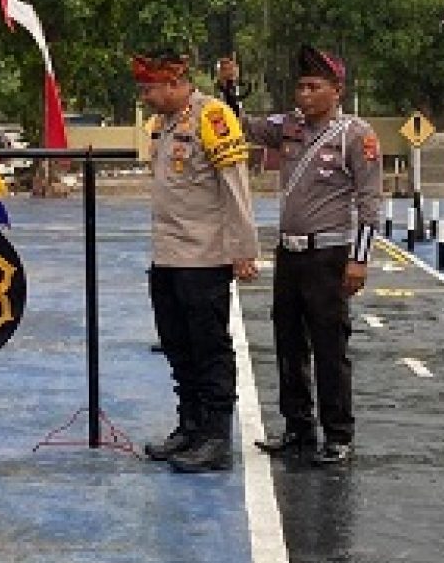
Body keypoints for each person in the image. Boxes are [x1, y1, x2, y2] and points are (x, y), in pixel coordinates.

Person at [232, 47, 382, 465]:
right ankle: (298, 427)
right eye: (300, 86)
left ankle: (338, 433)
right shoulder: (287, 127)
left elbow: (371, 203)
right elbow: (238, 127)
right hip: (290, 254)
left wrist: (359, 259)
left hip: (329, 255)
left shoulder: (356, 135)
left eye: (314, 86)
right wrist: (229, 85)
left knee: (329, 346)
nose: (304, 94)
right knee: (288, 342)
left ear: (337, 90)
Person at [135, 50, 260, 474]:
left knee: (210, 349)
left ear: (174, 83)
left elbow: (235, 187)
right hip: (167, 255)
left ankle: (215, 437)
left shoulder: (213, 116)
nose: (145, 96)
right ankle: (189, 426)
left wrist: (243, 248)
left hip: (204, 257)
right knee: (176, 345)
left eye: (150, 88)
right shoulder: (163, 125)